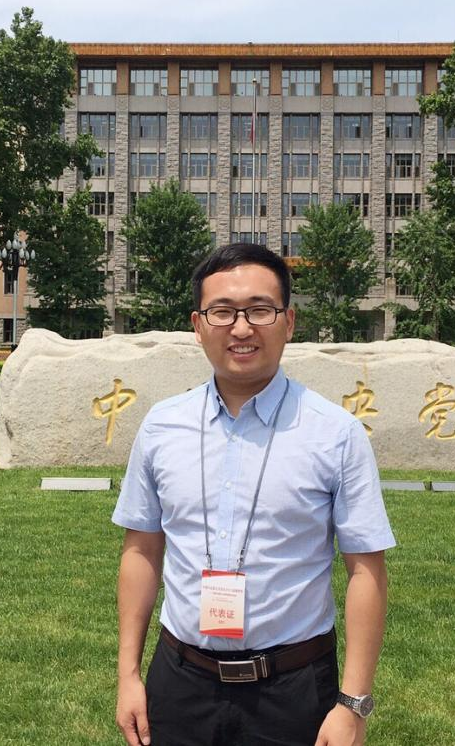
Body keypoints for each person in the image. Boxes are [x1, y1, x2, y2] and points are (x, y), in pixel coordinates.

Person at [113, 243, 395, 746]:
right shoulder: (161, 426)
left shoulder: (335, 433)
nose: (241, 328)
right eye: (222, 312)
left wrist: (353, 704)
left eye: (260, 310)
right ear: (198, 325)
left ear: (289, 322)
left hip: (293, 689)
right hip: (180, 682)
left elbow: (366, 570)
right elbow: (142, 550)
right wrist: (128, 675)